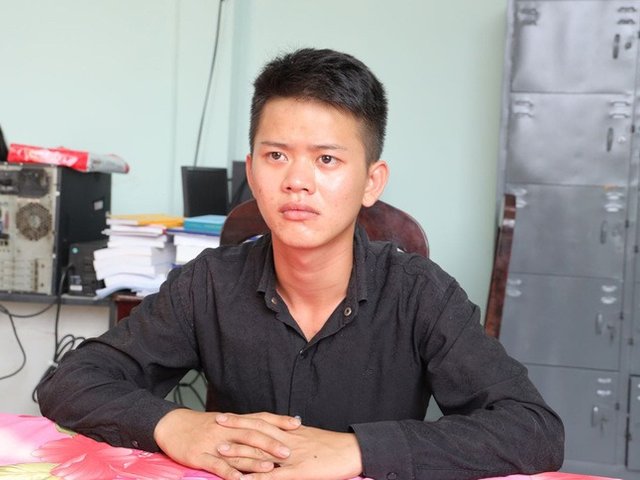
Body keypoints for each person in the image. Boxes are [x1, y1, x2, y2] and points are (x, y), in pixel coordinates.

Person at [38, 48, 564, 480]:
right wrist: (175, 425)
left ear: (372, 182)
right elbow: (72, 381)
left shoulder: (420, 294)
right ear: (252, 171)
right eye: (276, 156)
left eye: (327, 159)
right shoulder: (209, 283)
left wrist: (358, 450)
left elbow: (534, 430)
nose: (296, 181)